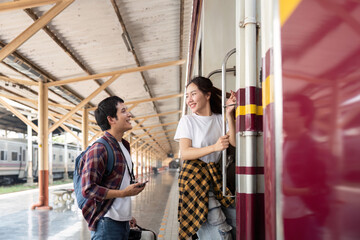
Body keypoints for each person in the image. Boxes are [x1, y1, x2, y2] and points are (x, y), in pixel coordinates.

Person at [174, 76, 237, 240]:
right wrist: (214, 147)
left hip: (217, 180)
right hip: (196, 181)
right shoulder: (187, 121)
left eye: (193, 94)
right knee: (222, 235)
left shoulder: (219, 119)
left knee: (236, 224)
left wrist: (229, 114)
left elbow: (235, 143)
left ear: (207, 95)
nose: (189, 100)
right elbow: (185, 153)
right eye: (187, 96)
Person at [80, 96, 146, 240]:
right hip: (106, 224)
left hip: (122, 222)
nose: (129, 114)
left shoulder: (124, 146)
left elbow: (119, 184)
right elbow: (88, 189)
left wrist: (126, 215)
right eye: (123, 111)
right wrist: (123, 193)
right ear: (112, 119)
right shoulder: (100, 148)